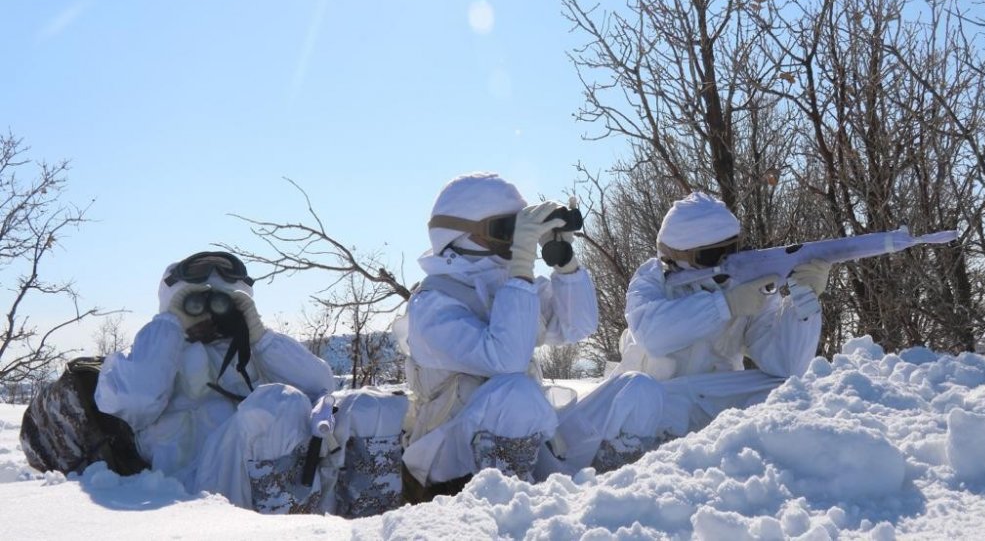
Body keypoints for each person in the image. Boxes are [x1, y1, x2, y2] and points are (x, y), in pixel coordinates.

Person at [395, 172, 678, 500]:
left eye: (521, 230)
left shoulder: (508, 283)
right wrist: (522, 266)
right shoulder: (432, 303)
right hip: (450, 453)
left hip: (532, 435)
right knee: (516, 392)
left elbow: (578, 325)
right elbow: (507, 359)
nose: (517, 242)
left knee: (636, 388)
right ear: (462, 234)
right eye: (507, 230)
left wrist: (564, 261)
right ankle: (508, 510)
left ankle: (610, 502)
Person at [94, 251, 340, 513]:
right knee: (278, 403)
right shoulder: (150, 354)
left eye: (221, 302)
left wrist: (260, 336)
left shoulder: (253, 352)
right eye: (194, 303)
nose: (208, 312)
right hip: (187, 490)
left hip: (257, 481)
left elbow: (322, 386)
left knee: (349, 404)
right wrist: (170, 325)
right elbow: (135, 401)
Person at [613, 191, 829, 436]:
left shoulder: (747, 284)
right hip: (657, 403)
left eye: (732, 249)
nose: (726, 260)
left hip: (712, 402)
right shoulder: (650, 280)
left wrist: (804, 297)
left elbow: (786, 365)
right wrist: (725, 304)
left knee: (783, 390)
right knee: (638, 392)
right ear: (678, 255)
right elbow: (651, 335)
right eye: (713, 254)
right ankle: (626, 448)